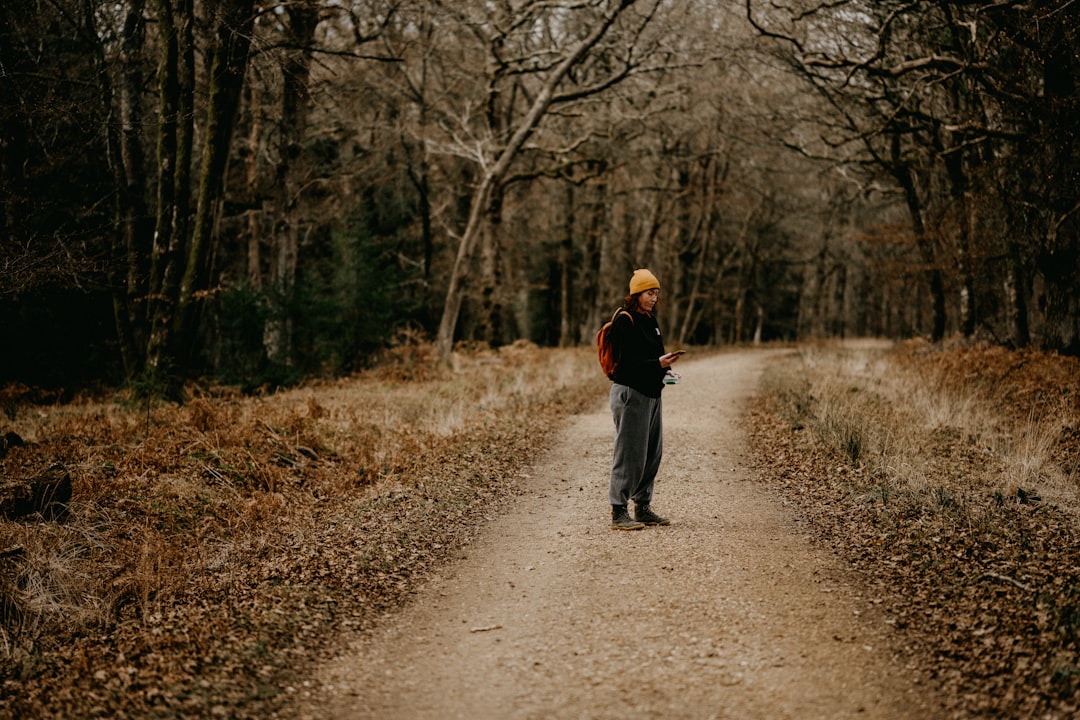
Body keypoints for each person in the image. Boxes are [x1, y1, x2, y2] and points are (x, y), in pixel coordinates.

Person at [606, 268, 683, 531]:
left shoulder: (650, 320)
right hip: (630, 393)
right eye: (650, 293)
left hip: (652, 393)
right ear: (636, 293)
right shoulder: (624, 321)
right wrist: (656, 363)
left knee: (652, 453)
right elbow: (625, 366)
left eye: (656, 293)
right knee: (630, 454)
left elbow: (654, 359)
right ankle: (618, 511)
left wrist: (666, 369)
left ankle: (643, 507)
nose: (654, 298)